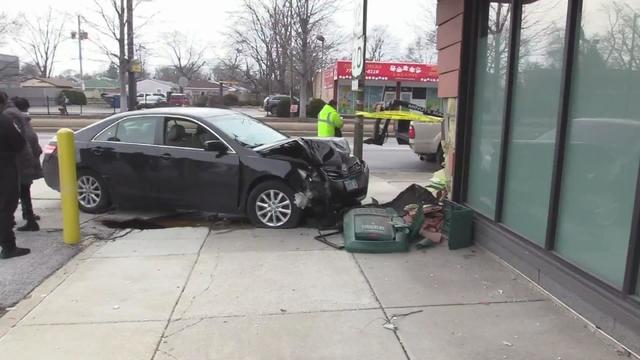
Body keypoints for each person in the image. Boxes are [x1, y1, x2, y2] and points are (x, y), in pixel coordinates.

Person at [0, 91, 31, 259]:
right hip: (5, 168)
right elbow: (19, 143)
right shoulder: (4, 121)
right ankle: (8, 246)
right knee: (6, 207)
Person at [12, 97, 42, 231]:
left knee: (17, 192)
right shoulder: (25, 121)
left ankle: (28, 219)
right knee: (23, 191)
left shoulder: (17, 121)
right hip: (27, 163)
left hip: (21, 164)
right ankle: (28, 216)